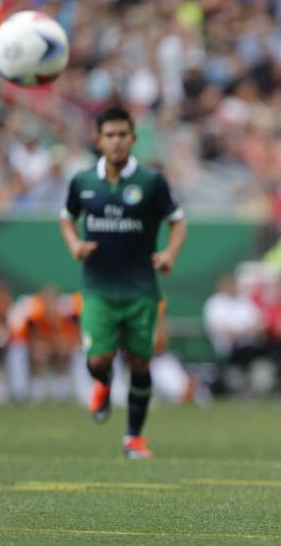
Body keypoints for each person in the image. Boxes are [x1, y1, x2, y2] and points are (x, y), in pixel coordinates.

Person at [59, 106, 187, 459]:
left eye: (122, 135)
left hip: (141, 290)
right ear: (98, 140)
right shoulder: (82, 182)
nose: (116, 142)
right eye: (109, 135)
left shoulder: (151, 182)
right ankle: (102, 383)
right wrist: (75, 245)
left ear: (133, 139)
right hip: (99, 288)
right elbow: (66, 218)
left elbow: (178, 221)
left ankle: (133, 437)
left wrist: (169, 255)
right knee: (98, 360)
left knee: (140, 364)